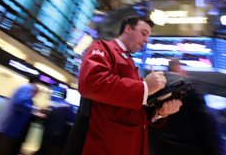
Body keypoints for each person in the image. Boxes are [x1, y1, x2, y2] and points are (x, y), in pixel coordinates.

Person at [63, 16, 182, 155]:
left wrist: (158, 113)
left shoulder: (132, 66)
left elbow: (131, 110)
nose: (147, 40)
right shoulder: (103, 47)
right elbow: (90, 82)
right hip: (103, 148)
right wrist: (144, 88)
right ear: (128, 29)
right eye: (143, 33)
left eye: (148, 36)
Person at [148, 58, 219, 155]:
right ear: (177, 67)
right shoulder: (190, 84)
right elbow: (204, 123)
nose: (185, 72)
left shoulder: (154, 85)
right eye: (183, 69)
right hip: (188, 149)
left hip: (158, 149)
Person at [0, 76, 45, 155]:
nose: (34, 96)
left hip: (6, 129)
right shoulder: (28, 88)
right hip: (6, 129)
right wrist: (36, 109)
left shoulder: (24, 88)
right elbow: (19, 103)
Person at [33, 88, 76, 155]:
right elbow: (73, 120)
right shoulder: (68, 106)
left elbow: (46, 117)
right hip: (58, 137)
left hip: (47, 134)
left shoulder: (52, 105)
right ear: (65, 96)